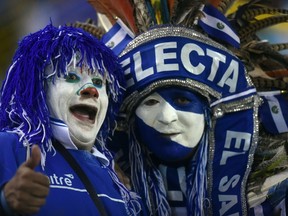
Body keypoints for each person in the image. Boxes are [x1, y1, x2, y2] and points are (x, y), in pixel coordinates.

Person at [89, 0, 288, 215]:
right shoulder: (93, 187)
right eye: (150, 102)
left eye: (183, 101)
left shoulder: (274, 192)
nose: (166, 117)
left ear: (212, 112)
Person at [0, 23, 142, 215]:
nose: (91, 91)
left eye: (99, 82)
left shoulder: (115, 176)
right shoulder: (9, 146)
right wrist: (5, 202)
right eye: (72, 77)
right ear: (39, 90)